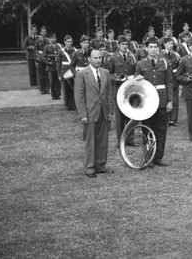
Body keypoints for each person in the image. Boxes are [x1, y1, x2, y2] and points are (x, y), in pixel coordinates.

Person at [74, 48, 115, 178]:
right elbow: (79, 96)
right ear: (89, 59)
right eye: (95, 58)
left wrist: (110, 111)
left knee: (103, 140)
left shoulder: (105, 73)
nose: (98, 60)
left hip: (103, 111)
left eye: (100, 58)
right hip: (90, 112)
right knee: (90, 140)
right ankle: (90, 167)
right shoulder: (82, 74)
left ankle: (100, 165)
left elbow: (109, 94)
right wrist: (83, 114)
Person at [135, 37, 173, 167]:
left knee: (161, 129)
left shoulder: (165, 62)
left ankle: (159, 157)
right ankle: (148, 157)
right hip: (147, 101)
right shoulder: (140, 63)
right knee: (147, 129)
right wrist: (136, 78)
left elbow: (169, 82)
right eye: (150, 47)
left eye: (155, 47)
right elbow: (136, 85)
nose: (153, 49)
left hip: (162, 100)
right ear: (145, 48)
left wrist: (170, 100)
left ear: (158, 48)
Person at [108, 35, 137, 147]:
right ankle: (121, 140)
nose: (125, 46)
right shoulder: (113, 58)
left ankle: (130, 139)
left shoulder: (132, 57)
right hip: (118, 89)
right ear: (118, 45)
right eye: (122, 44)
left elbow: (136, 71)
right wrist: (115, 78)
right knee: (119, 117)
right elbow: (109, 72)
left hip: (130, 89)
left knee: (130, 114)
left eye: (126, 44)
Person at [163, 37, 182, 126]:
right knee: (165, 100)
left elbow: (180, 69)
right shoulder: (160, 55)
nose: (170, 45)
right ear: (164, 44)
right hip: (164, 81)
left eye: (172, 44)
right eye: (168, 44)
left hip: (174, 80)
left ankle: (173, 120)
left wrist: (180, 81)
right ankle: (165, 120)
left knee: (174, 100)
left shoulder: (176, 55)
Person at [57, 34, 76, 110]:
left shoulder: (75, 50)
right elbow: (59, 64)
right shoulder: (61, 51)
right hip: (64, 72)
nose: (69, 43)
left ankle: (73, 105)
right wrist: (59, 75)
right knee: (65, 89)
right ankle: (67, 105)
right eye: (68, 42)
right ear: (64, 42)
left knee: (73, 88)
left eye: (70, 41)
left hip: (72, 71)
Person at [43, 33, 61, 100]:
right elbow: (43, 57)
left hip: (58, 66)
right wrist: (48, 62)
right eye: (52, 38)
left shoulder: (59, 46)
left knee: (58, 81)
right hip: (51, 66)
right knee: (52, 81)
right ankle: (53, 95)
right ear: (49, 39)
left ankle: (58, 94)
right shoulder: (47, 47)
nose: (54, 39)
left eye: (54, 38)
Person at [36, 26, 50, 94]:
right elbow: (35, 51)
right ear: (40, 32)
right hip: (40, 58)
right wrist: (36, 60)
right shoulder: (37, 40)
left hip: (47, 58)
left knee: (47, 74)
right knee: (41, 75)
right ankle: (42, 89)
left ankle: (47, 89)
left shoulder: (48, 40)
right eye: (42, 31)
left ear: (46, 32)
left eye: (45, 31)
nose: (44, 33)